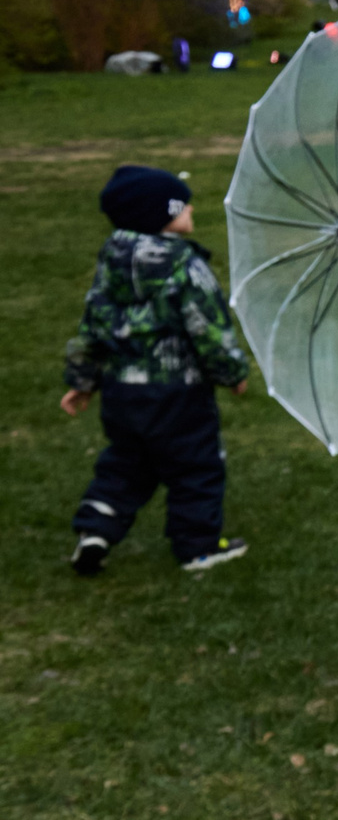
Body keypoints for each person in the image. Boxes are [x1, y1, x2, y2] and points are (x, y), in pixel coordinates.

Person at [61, 164, 252, 577]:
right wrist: (230, 370)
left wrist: (82, 380)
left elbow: (93, 321)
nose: (191, 209)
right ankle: (198, 546)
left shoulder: (111, 260)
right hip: (178, 394)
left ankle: (95, 530)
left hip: (122, 393)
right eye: (182, 204)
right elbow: (208, 327)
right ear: (160, 215)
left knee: (128, 461)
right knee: (195, 466)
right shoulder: (186, 266)